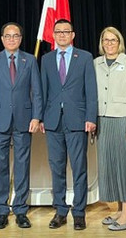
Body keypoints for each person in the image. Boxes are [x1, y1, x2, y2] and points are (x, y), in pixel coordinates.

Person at [0, 22, 42, 230]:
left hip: (24, 120)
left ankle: (21, 210)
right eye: (8, 36)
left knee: (22, 166)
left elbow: (37, 92)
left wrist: (37, 117)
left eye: (15, 36)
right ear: (2, 38)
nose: (12, 39)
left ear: (21, 39)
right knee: (0, 166)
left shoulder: (30, 60)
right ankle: (1, 211)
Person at [40, 18, 98, 231]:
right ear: (53, 35)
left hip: (77, 120)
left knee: (79, 167)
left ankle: (79, 212)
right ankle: (60, 211)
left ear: (73, 35)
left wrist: (91, 117)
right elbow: (42, 91)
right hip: (53, 120)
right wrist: (41, 117)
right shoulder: (46, 59)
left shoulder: (84, 57)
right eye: (58, 32)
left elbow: (91, 90)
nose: (62, 35)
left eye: (66, 31)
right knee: (56, 168)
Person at [94, 27, 126, 231]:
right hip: (103, 121)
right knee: (111, 167)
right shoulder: (96, 63)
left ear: (119, 42)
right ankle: (120, 210)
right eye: (106, 40)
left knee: (125, 167)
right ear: (102, 42)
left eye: (113, 40)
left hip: (123, 121)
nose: (110, 44)